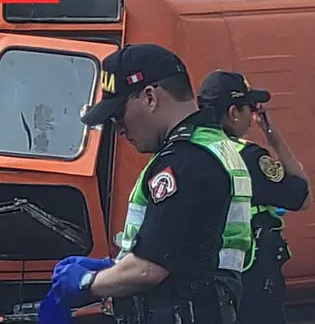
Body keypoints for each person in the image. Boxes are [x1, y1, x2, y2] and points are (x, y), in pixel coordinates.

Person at [42, 43, 253, 324]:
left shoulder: (184, 161)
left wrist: (86, 283)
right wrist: (116, 268)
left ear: (151, 97)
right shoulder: (214, 144)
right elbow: (188, 247)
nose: (119, 129)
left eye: (119, 115)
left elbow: (149, 269)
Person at [196, 70, 312, 324]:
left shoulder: (189, 148)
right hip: (251, 281)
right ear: (233, 112)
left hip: (204, 278)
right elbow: (302, 197)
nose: (252, 116)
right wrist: (274, 138)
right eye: (250, 108)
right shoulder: (247, 157)